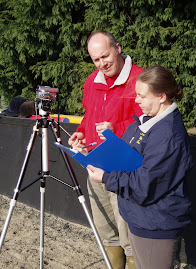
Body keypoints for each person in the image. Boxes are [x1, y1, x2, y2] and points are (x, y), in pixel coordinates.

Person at [86, 65, 194, 269]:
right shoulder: (147, 122)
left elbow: (145, 183)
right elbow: (129, 158)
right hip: (141, 218)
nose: (137, 101)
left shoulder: (167, 135)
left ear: (161, 96)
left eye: (142, 96)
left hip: (156, 224)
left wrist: (107, 178)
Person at [68, 30, 143, 268]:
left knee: (127, 228)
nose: (102, 64)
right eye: (96, 60)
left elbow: (148, 122)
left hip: (124, 166)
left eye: (105, 56)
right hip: (94, 162)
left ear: (118, 48)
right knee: (105, 227)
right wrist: (81, 132)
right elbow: (89, 115)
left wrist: (116, 128)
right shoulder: (92, 81)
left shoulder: (139, 79)